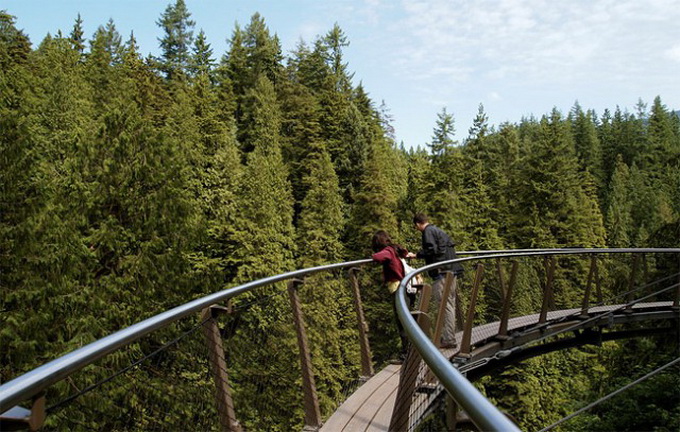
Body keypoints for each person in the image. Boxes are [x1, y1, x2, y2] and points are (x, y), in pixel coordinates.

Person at [406, 213, 462, 348]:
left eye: (416, 227)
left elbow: (431, 249)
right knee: (450, 304)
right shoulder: (438, 230)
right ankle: (449, 336)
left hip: (441, 273)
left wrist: (417, 255)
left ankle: (449, 339)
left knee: (444, 305)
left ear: (418, 224)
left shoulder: (428, 232)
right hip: (451, 271)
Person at [371, 230, 416, 360]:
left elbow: (377, 257)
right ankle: (409, 352)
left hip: (399, 288)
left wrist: (372, 256)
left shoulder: (388, 251)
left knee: (402, 321)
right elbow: (405, 252)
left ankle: (406, 354)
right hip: (406, 287)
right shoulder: (394, 249)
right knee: (406, 319)